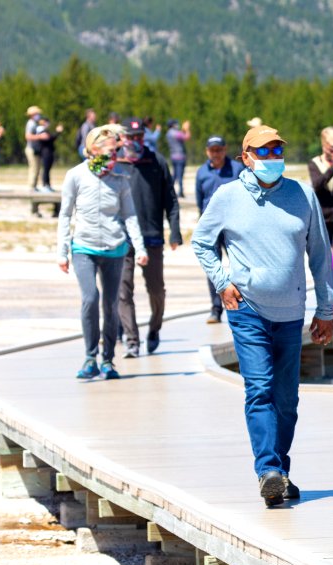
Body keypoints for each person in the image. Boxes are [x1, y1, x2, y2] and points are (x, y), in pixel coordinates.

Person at [191, 124, 333, 507]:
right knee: (259, 389)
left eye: (277, 151)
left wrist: (326, 308)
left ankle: (280, 474)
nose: (273, 159)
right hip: (247, 309)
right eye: (264, 152)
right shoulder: (227, 196)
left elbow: (320, 255)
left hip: (291, 311)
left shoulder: (302, 194)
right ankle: (267, 470)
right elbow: (202, 243)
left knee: (287, 399)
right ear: (246, 157)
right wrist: (223, 282)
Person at [57, 124, 148, 381]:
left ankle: (107, 359)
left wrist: (139, 247)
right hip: (83, 247)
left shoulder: (120, 179)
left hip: (115, 249)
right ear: (93, 150)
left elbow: (129, 215)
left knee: (110, 304)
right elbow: (65, 215)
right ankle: (89, 357)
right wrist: (61, 252)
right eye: (109, 151)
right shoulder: (75, 175)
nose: (113, 156)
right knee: (90, 299)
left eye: (115, 151)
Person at [117, 117, 182, 358]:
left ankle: (154, 329)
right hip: (121, 239)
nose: (135, 141)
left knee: (156, 290)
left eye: (139, 137)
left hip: (152, 236)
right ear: (122, 138)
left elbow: (171, 199)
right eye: (130, 137)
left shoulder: (157, 161)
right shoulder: (116, 163)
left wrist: (174, 230)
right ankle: (131, 340)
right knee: (123, 291)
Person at [194, 134, 245, 324]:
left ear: (225, 150)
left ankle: (241, 302)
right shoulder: (201, 172)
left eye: (219, 150)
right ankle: (216, 309)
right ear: (207, 151)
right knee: (213, 267)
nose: (216, 153)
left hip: (234, 226)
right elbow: (200, 202)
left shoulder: (237, 168)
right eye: (212, 150)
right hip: (211, 228)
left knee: (239, 264)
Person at [35, 117, 64, 192]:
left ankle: (48, 184)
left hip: (49, 152)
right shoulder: (41, 129)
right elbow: (49, 138)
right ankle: (45, 185)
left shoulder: (44, 130)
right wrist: (57, 132)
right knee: (46, 169)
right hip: (45, 152)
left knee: (48, 169)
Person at [166, 119, 191, 197]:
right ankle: (180, 191)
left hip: (173, 156)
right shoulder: (176, 133)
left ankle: (170, 190)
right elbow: (186, 137)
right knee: (180, 175)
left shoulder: (168, 133)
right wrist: (187, 129)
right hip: (180, 156)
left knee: (175, 175)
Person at [24, 106, 44, 192]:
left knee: (37, 168)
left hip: (35, 148)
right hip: (31, 148)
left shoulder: (35, 123)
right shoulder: (31, 123)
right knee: (33, 168)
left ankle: (34, 185)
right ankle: (31, 186)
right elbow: (27, 136)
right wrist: (40, 136)